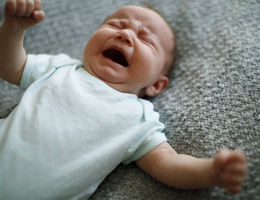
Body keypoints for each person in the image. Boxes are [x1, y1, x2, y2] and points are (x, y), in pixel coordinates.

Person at [0, 0, 247, 199]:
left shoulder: (139, 119)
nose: (126, 34)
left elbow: (168, 164)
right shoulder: (62, 67)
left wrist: (209, 172)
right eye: (116, 25)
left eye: (146, 39)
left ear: (156, 85)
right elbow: (11, 67)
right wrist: (13, 30)